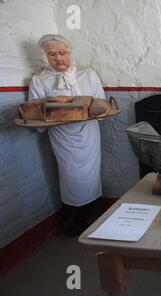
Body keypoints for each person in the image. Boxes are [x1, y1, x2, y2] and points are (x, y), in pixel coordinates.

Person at [28, 34, 105, 238]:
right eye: (52, 54)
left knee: (91, 176)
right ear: (46, 56)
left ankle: (94, 222)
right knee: (69, 177)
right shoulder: (40, 80)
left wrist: (87, 108)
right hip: (62, 137)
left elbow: (101, 104)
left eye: (62, 53)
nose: (58, 58)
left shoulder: (88, 75)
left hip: (88, 135)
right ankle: (72, 225)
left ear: (69, 53)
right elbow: (35, 114)